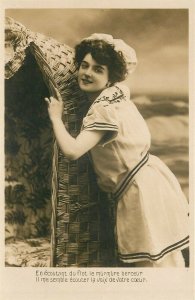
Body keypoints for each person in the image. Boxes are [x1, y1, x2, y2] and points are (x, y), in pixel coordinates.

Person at [45, 33, 189, 267]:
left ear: (110, 78)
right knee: (165, 259)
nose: (87, 73)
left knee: (149, 264)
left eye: (98, 69)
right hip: (153, 178)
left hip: (139, 191)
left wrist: (55, 118)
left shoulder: (103, 109)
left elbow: (72, 151)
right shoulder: (118, 95)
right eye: (84, 65)